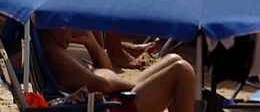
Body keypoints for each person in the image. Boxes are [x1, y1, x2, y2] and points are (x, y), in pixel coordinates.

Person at [39, 28, 196, 112]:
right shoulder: (55, 56)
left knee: (173, 59)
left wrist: (91, 43)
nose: (72, 31)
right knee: (181, 71)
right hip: (111, 107)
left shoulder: (58, 50)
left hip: (111, 99)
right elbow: (102, 85)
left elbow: (108, 70)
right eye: (66, 24)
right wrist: (129, 85)